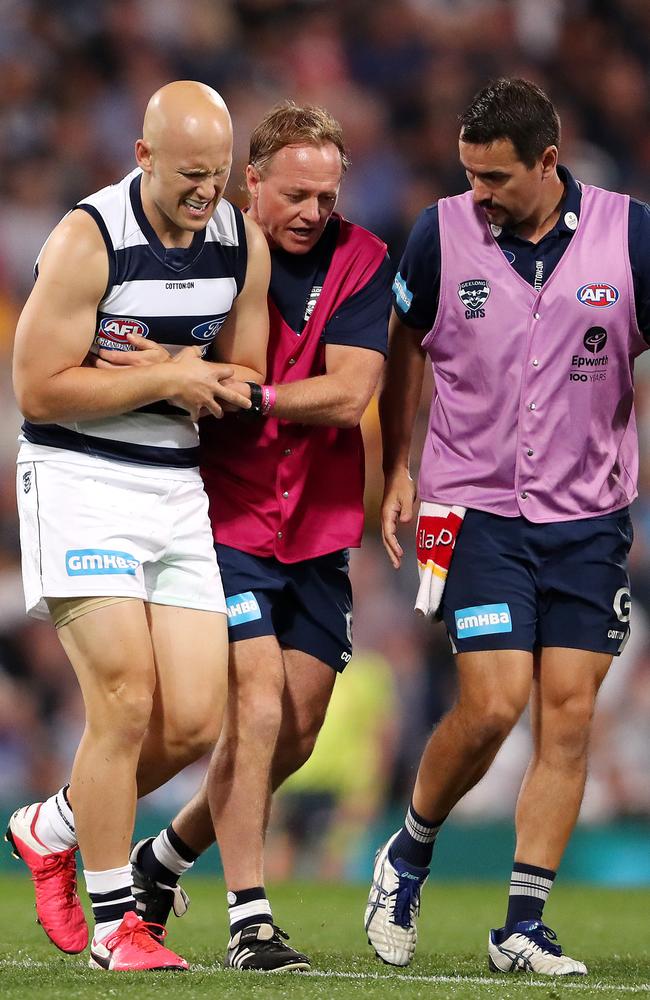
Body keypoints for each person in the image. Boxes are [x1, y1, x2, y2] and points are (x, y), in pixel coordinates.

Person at [364, 77, 650, 978]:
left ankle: (522, 924)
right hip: (468, 506)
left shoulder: (632, 234)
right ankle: (409, 851)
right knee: (493, 706)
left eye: (493, 178)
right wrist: (398, 463)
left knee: (568, 720)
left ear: (549, 163)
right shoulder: (440, 234)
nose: (476, 194)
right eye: (468, 175)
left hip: (590, 516)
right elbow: (404, 338)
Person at [96, 101, 390, 972]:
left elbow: (348, 396)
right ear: (249, 179)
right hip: (216, 515)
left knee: (294, 731)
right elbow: (140, 360)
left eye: (325, 197)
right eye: (294, 193)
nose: (311, 213)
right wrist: (173, 373)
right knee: (255, 704)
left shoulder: (363, 259)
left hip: (317, 527)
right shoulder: (204, 255)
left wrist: (235, 390)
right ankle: (250, 921)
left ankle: (165, 856)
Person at [8, 80, 270, 972]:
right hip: (79, 476)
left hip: (173, 486)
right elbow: (39, 386)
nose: (208, 192)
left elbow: (245, 379)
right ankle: (120, 925)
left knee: (196, 722)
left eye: (220, 172)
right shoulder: (89, 239)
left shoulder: (241, 239)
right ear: (143, 157)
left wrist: (167, 364)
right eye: (191, 174)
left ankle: (53, 827)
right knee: (123, 698)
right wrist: (167, 379)